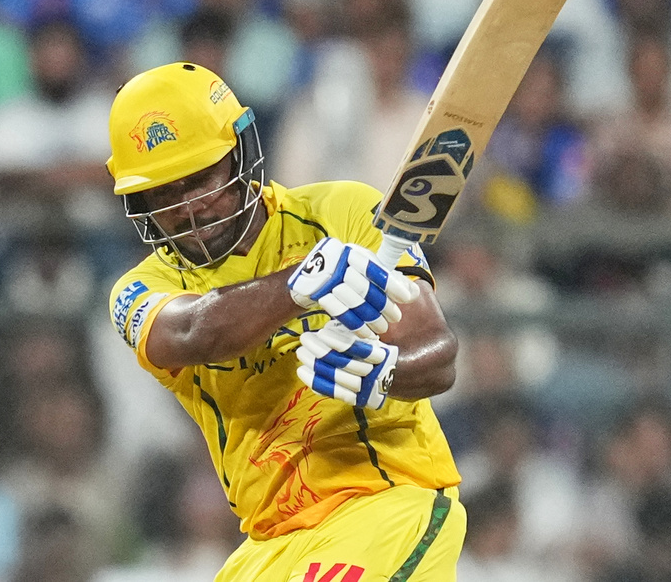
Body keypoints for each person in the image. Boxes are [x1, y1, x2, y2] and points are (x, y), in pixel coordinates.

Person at [104, 62, 465, 580]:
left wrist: (383, 372)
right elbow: (193, 332)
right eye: (164, 193)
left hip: (382, 503)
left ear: (241, 154)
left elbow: (437, 355)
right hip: (268, 542)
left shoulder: (343, 212)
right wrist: (301, 282)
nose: (190, 209)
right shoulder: (139, 289)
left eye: (202, 179)